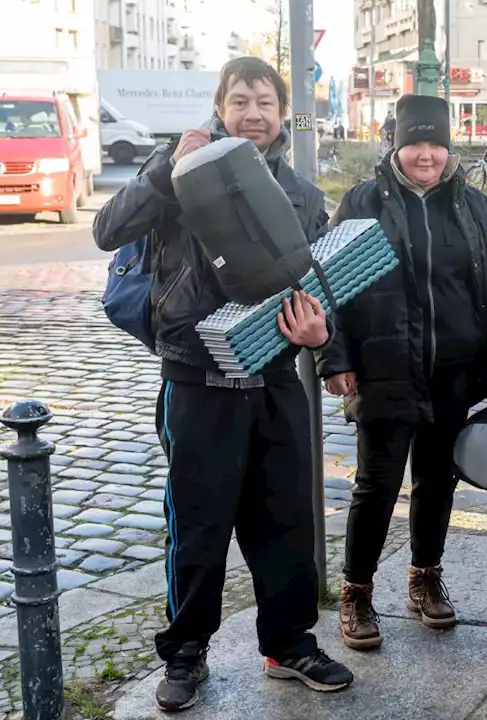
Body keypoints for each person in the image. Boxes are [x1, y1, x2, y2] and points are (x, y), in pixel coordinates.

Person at [92, 56, 354, 712]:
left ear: (281, 111)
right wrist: (164, 169)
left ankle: (288, 643)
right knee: (199, 525)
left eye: (265, 101)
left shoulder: (299, 192)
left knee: (286, 520)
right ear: (220, 105)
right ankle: (186, 653)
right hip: (196, 378)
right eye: (241, 101)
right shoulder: (179, 170)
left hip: (272, 377)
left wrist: (323, 343)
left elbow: (324, 285)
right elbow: (107, 230)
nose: (254, 114)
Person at [318, 95, 487, 649]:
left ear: (448, 148)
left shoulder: (478, 209)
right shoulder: (362, 203)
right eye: (415, 144)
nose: (425, 155)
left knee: (436, 482)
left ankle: (425, 579)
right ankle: (356, 592)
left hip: (454, 371)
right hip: (383, 367)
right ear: (396, 145)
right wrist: (335, 358)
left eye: (435, 144)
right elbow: (328, 284)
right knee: (376, 485)